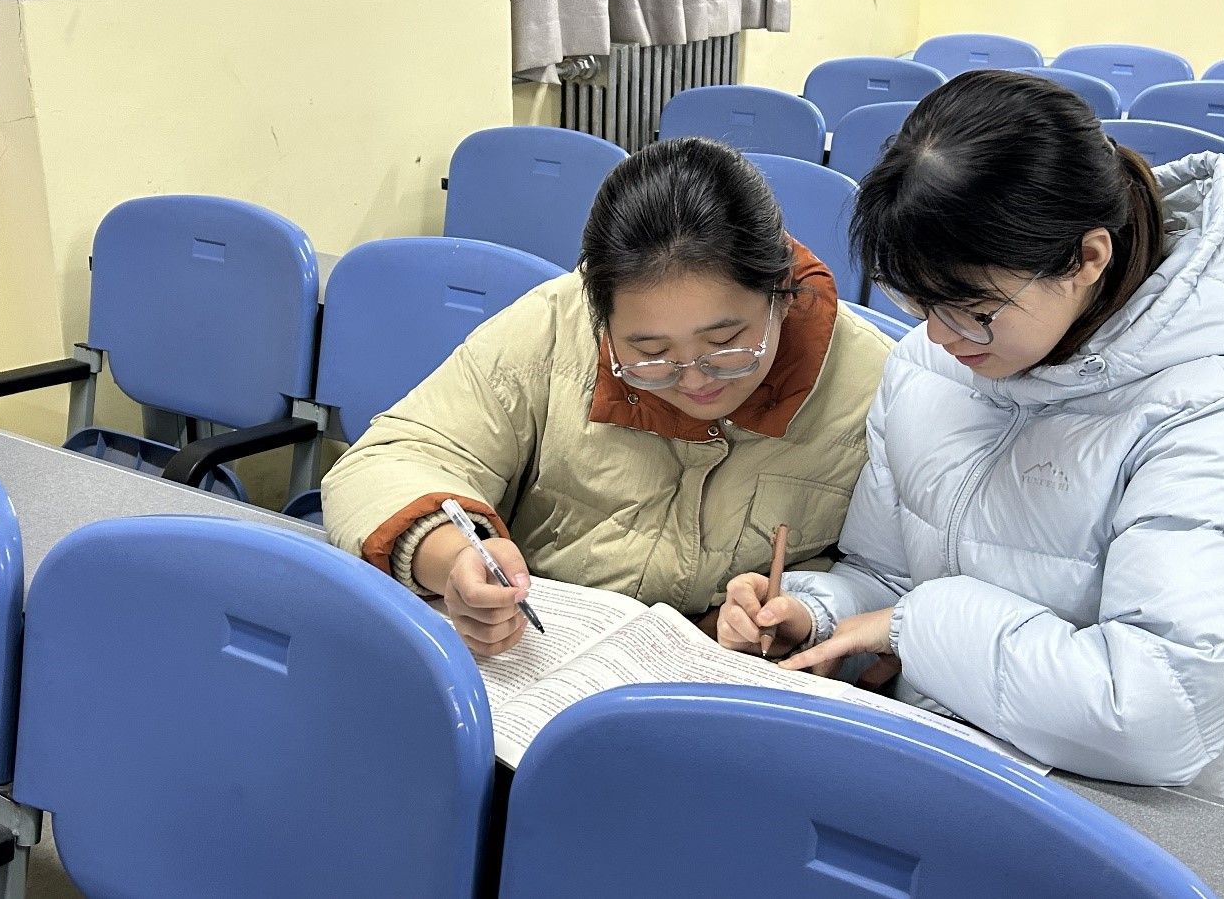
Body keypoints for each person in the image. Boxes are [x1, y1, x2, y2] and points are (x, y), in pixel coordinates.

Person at [717, 70, 1224, 814]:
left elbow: (1157, 713)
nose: (939, 336)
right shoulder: (931, 363)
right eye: (916, 301)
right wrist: (816, 615)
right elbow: (888, 574)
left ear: (1087, 258)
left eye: (974, 309)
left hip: (1153, 814)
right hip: (953, 761)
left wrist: (911, 627)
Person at [323, 136, 889, 659]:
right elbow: (393, 458)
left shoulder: (872, 384)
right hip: (540, 660)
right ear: (600, 318)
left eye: (726, 344)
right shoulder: (554, 326)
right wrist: (452, 558)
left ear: (782, 294)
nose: (694, 380)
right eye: (649, 352)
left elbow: (893, 584)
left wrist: (803, 618)